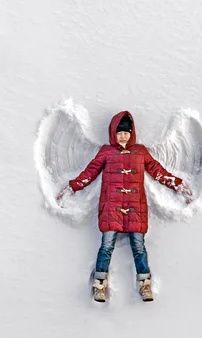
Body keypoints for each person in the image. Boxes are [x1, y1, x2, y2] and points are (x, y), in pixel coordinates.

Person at [57, 111, 193, 302]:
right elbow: (90, 172)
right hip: (111, 208)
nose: (123, 136)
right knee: (106, 247)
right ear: (113, 133)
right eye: (119, 133)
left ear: (132, 133)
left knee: (139, 247)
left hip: (135, 208)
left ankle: (145, 285)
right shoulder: (106, 152)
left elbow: (157, 170)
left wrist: (177, 184)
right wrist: (72, 187)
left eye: (126, 132)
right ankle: (99, 285)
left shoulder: (140, 152)